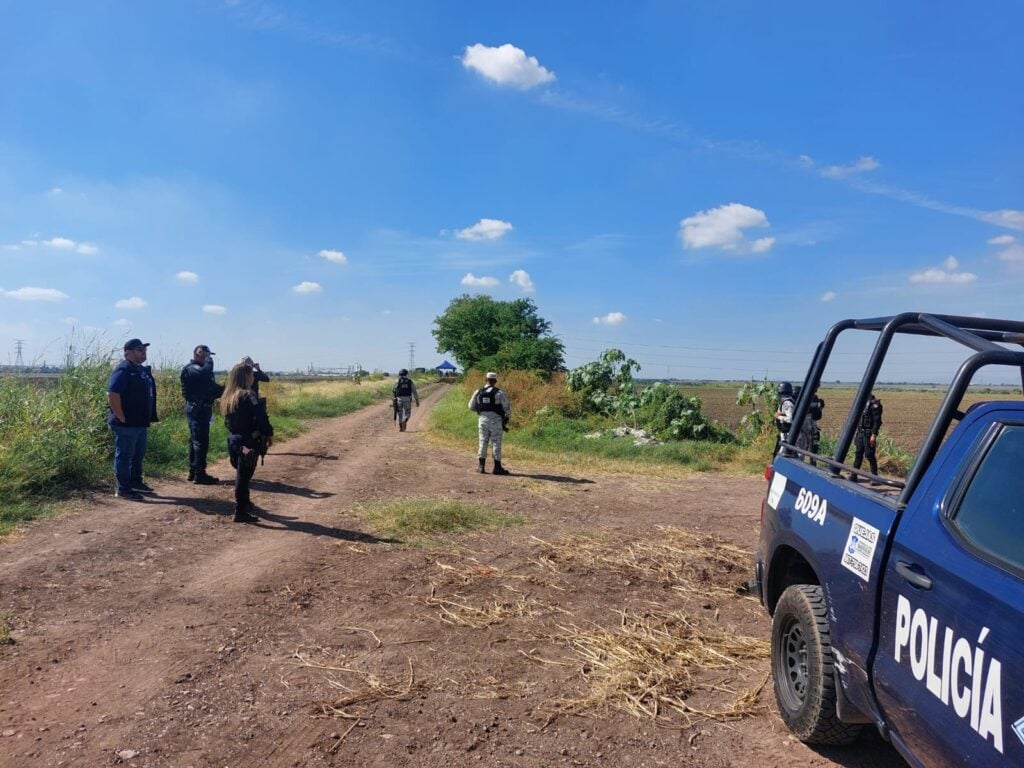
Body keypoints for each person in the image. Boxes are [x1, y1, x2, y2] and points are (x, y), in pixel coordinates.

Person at [221, 363, 274, 523]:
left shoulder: (229, 396)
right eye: (251, 374)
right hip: (248, 442)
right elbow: (261, 417)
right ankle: (240, 510)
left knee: (242, 472)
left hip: (235, 441)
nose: (253, 377)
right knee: (244, 476)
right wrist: (269, 432)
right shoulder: (248, 395)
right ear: (246, 376)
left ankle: (246, 502)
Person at [107, 338, 158, 501]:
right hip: (127, 423)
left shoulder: (141, 370)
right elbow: (112, 394)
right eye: (139, 349)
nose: (143, 352)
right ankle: (123, 489)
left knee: (138, 454)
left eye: (144, 349)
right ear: (127, 352)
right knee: (125, 455)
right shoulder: (123, 370)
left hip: (140, 422)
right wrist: (120, 416)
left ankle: (135, 482)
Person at [180, 344, 225, 484]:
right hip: (196, 409)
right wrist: (209, 361)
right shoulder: (192, 369)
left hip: (202, 408)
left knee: (196, 440)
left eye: (208, 355)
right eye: (205, 354)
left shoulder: (201, 371)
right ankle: (199, 473)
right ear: (197, 353)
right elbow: (204, 375)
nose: (207, 357)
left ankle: (194, 471)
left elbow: (210, 387)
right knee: (200, 441)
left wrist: (225, 389)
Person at [468, 371, 512, 475]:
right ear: (495, 381)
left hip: (482, 420)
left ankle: (481, 466)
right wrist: (506, 418)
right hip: (496, 421)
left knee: (483, 442)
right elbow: (508, 408)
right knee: (496, 443)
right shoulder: (499, 393)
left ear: (485, 380)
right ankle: (497, 468)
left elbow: (470, 406)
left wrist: (482, 411)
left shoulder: (478, 392)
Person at [852, 393, 883, 480]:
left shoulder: (875, 404)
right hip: (860, 432)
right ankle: (854, 475)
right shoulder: (861, 403)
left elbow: (877, 421)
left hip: (869, 433)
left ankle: (874, 476)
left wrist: (874, 434)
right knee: (858, 454)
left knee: (869, 455)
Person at [772, 381, 795, 456]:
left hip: (787, 434)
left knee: (781, 454)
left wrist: (778, 416)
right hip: (785, 433)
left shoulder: (787, 403)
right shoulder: (787, 401)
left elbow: (790, 419)